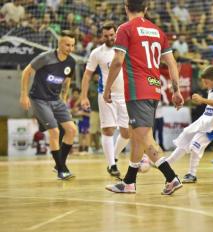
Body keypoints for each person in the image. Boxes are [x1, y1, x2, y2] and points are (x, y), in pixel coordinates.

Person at [103, 0, 184, 195]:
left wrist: (107, 89)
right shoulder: (158, 31)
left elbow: (117, 62)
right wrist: (176, 90)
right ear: (146, 9)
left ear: (126, 7)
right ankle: (129, 182)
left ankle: (171, 177)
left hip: (137, 89)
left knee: (145, 137)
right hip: (154, 88)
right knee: (136, 135)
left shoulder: (125, 28)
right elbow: (172, 63)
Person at [19, 30, 77, 180]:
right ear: (59, 44)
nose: (70, 48)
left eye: (72, 45)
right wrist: (24, 95)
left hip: (56, 99)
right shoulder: (45, 57)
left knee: (71, 130)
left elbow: (67, 79)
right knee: (55, 132)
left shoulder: (71, 61)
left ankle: (59, 164)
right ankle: (61, 170)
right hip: (39, 99)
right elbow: (26, 72)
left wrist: (64, 97)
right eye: (67, 45)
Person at [166, 66, 213, 183]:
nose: (204, 84)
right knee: (186, 136)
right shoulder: (212, 88)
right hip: (203, 120)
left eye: (206, 82)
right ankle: (167, 163)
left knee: (195, 146)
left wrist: (202, 100)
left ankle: (192, 174)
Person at [81, 23, 130, 177]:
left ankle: (114, 156)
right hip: (106, 96)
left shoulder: (126, 49)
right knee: (108, 130)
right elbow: (87, 74)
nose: (109, 38)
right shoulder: (97, 53)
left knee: (127, 133)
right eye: (106, 36)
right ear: (101, 36)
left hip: (126, 96)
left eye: (112, 35)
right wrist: (83, 96)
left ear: (116, 34)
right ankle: (112, 165)